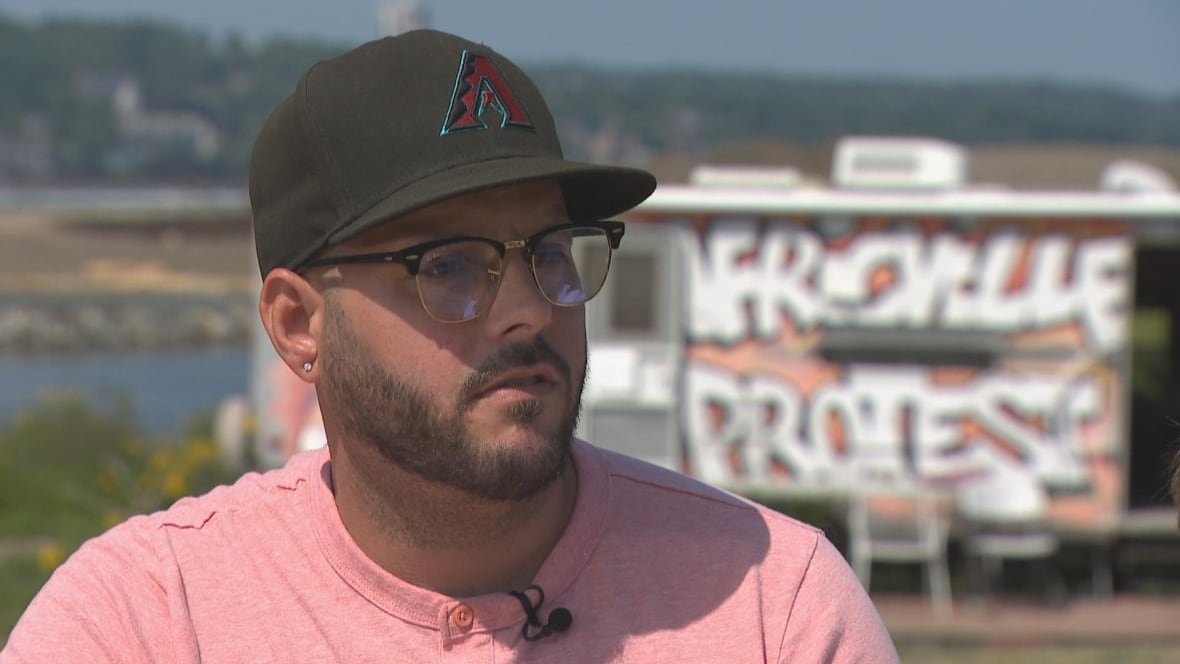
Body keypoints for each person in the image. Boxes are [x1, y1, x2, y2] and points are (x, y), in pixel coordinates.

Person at [1, 29, 898, 662]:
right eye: (449, 267)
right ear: (297, 325)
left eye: (551, 253)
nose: (527, 311)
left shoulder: (773, 604)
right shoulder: (148, 622)